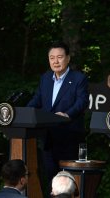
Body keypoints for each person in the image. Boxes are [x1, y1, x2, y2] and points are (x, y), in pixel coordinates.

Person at [27, 41, 89, 181]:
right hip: (48, 138)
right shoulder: (45, 78)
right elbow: (37, 100)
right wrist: (24, 113)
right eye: (52, 57)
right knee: (50, 179)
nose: (55, 61)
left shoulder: (79, 78)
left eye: (59, 57)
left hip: (69, 137)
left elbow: (82, 102)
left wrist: (67, 114)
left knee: (67, 180)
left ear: (68, 58)